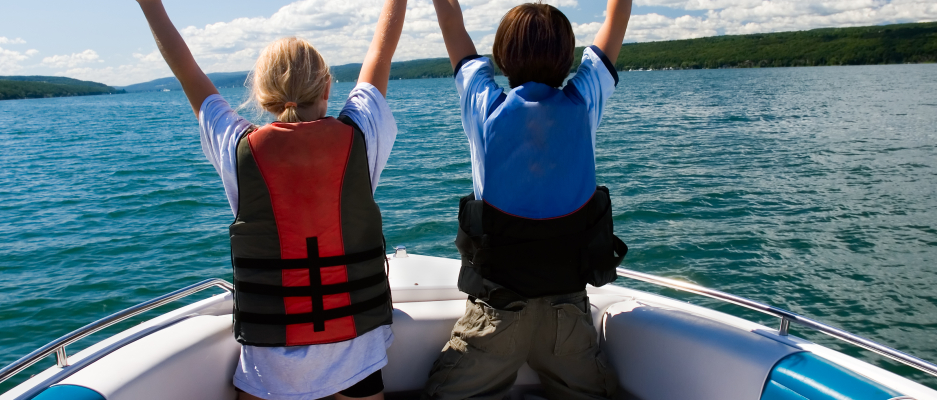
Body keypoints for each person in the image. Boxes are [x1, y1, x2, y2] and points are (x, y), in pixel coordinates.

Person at [134, 0, 408, 399]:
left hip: (270, 372)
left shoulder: (237, 148)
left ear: (261, 97)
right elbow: (379, 52)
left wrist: (151, 7)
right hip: (357, 358)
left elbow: (185, 67)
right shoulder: (363, 136)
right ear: (329, 87)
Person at [423, 0, 632, 399]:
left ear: (501, 56)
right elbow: (617, 14)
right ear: (567, 57)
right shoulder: (585, 100)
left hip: (495, 316)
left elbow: (451, 20)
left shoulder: (483, 105)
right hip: (567, 319)